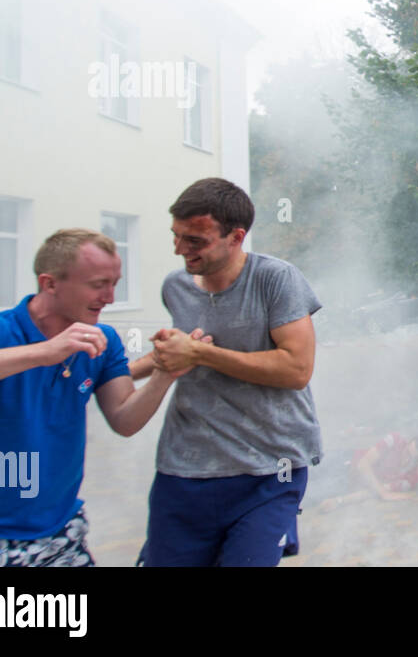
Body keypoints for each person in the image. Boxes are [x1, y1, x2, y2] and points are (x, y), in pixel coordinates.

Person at [0, 229, 192, 566]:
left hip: (59, 535)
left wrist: (166, 373)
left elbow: (125, 419)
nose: (110, 297)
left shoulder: (103, 341)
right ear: (50, 283)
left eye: (115, 283)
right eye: (99, 284)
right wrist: (44, 352)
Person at [130, 177, 322, 566]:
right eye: (177, 236)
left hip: (271, 470)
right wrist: (106, 369)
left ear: (236, 237)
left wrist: (199, 353)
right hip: (184, 471)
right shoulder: (176, 286)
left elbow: (297, 369)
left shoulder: (275, 279)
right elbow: (179, 350)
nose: (180, 249)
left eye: (195, 241)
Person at [352, 433, 418, 501]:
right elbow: (362, 464)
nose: (407, 459)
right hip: (349, 460)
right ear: (407, 443)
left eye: (415, 459)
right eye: (408, 452)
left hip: (351, 484)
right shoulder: (394, 440)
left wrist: (342, 499)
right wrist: (383, 493)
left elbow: (375, 490)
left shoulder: (411, 479)